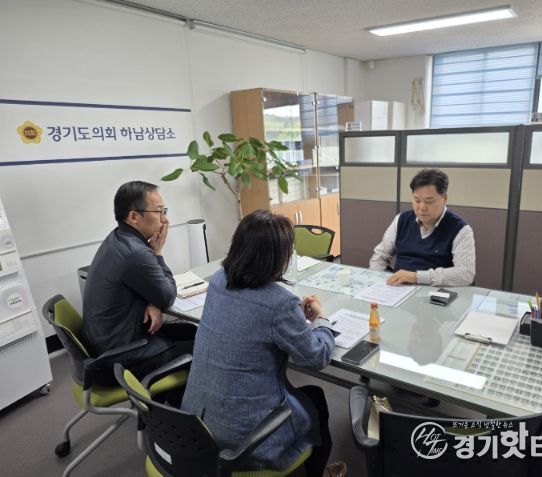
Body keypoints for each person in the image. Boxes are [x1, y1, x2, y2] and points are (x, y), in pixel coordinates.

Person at [181, 210, 346, 477]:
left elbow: (247, 321)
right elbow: (317, 357)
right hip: (242, 439)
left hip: (196, 424)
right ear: (277, 257)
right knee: (316, 399)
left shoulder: (219, 280)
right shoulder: (280, 303)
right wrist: (321, 319)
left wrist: (291, 320)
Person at [82, 181, 195, 387]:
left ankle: (166, 400)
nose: (165, 219)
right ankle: (170, 406)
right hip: (119, 358)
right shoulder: (135, 253)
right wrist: (157, 253)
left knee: (190, 331)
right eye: (159, 211)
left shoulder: (118, 238)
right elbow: (167, 295)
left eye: (165, 211)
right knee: (201, 348)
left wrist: (153, 301)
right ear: (134, 217)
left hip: (106, 345)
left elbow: (150, 289)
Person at [370, 168, 476, 286]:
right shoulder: (401, 220)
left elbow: (465, 274)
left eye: (429, 202)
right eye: (417, 200)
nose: (421, 207)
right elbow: (380, 257)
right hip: (398, 288)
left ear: (445, 198)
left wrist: (417, 277)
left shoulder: (460, 229)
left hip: (434, 293)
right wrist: (378, 281)